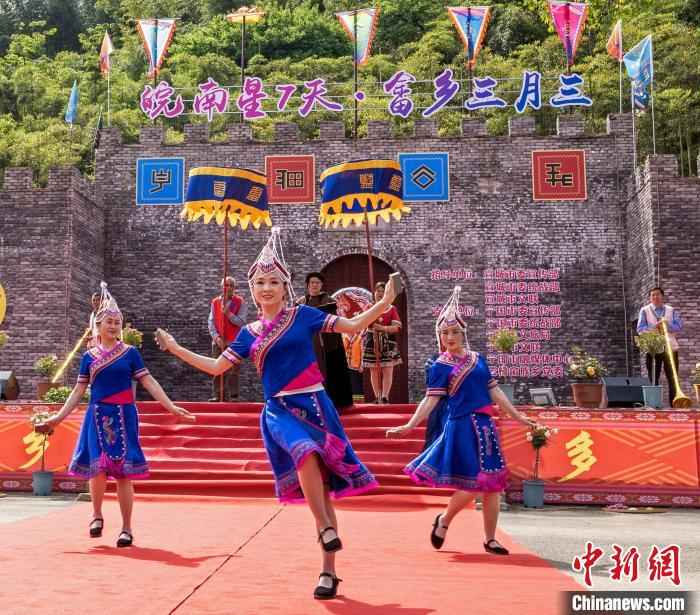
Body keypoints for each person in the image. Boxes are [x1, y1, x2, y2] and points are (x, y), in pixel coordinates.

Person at [155, 227, 399, 600]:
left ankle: (328, 570)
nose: (266, 288)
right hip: (280, 410)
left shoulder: (304, 315)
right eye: (260, 283)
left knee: (323, 488)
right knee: (304, 453)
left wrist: (384, 303)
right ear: (252, 291)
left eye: (273, 282)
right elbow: (217, 367)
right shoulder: (248, 333)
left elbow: (351, 325)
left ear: (285, 288)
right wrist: (176, 349)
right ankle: (325, 528)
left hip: (315, 404)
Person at [35, 283, 195, 548]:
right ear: (97, 326)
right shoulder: (88, 357)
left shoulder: (131, 353)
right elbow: (78, 391)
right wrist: (58, 418)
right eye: (108, 322)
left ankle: (126, 528)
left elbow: (149, 381)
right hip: (97, 415)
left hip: (124, 415)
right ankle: (96, 515)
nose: (113, 326)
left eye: (117, 322)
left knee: (123, 474)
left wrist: (171, 407)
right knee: (96, 469)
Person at [386, 287, 536, 555]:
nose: (450, 337)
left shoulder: (478, 360)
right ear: (439, 336)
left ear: (463, 333)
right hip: (462, 427)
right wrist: (410, 425)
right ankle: (444, 519)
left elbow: (494, 391)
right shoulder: (440, 366)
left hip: (486, 427)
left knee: (493, 484)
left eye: (454, 332)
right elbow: (430, 400)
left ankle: (490, 539)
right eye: (445, 333)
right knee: (475, 483)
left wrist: (517, 416)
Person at [297, 272, 353, 409]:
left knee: (327, 370)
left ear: (321, 284)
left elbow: (333, 322)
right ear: (307, 285)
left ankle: (328, 402)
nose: (314, 285)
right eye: (312, 282)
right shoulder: (300, 303)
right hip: (306, 343)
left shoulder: (329, 301)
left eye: (317, 282)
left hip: (326, 343)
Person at [636, 287, 683, 404]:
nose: (655, 297)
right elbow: (640, 329)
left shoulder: (671, 310)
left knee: (673, 377)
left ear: (662, 296)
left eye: (658, 294)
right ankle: (653, 403)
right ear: (650, 298)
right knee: (653, 377)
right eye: (653, 295)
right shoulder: (644, 310)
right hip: (653, 348)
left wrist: (668, 325)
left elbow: (679, 327)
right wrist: (654, 327)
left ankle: (674, 403)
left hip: (671, 348)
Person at [208, 276, 247, 401]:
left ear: (234, 287)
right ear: (221, 287)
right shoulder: (215, 302)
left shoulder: (240, 301)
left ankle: (233, 395)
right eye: (226, 285)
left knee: (234, 370)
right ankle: (218, 395)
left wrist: (228, 314)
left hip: (235, 342)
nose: (228, 287)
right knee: (217, 369)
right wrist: (217, 338)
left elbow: (242, 322)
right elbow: (211, 322)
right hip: (218, 342)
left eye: (231, 285)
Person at [362, 281, 402, 404]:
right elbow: (362, 322)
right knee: (374, 370)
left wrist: (382, 328)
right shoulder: (369, 307)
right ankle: (377, 397)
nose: (380, 293)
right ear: (374, 292)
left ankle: (385, 397)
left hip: (388, 341)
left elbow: (397, 327)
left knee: (388, 369)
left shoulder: (392, 308)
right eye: (378, 291)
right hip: (372, 340)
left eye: (383, 291)